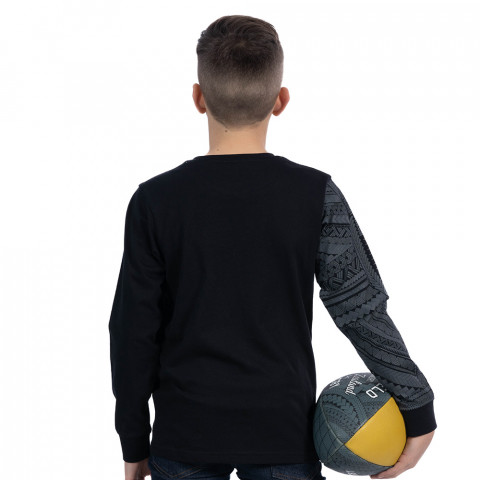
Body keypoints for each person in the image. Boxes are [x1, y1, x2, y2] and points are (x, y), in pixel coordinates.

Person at [108, 14, 437, 480]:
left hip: (184, 434)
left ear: (198, 98)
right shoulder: (316, 194)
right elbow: (359, 307)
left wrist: (133, 440)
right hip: (283, 433)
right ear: (280, 100)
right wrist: (416, 406)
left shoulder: (154, 200)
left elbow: (132, 332)